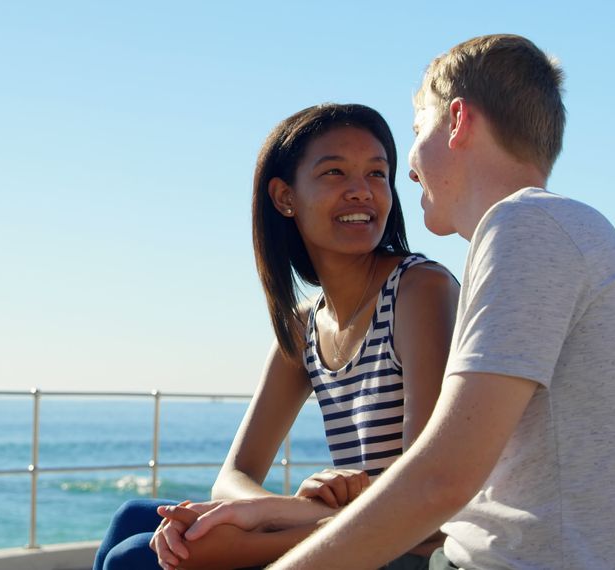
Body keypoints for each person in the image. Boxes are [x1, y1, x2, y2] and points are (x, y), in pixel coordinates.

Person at [192, 34, 615, 570]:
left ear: (458, 120)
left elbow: (440, 481)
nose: (410, 168)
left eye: (419, 129)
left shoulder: (526, 226)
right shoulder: (548, 228)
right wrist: (272, 515)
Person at [93, 103, 459, 570]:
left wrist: (269, 525)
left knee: (137, 558)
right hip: (351, 525)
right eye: (334, 173)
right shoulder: (304, 325)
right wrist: (278, 511)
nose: (361, 192)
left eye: (376, 173)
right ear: (285, 197)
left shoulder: (419, 290)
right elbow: (234, 477)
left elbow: (428, 499)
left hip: (409, 546)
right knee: (130, 519)